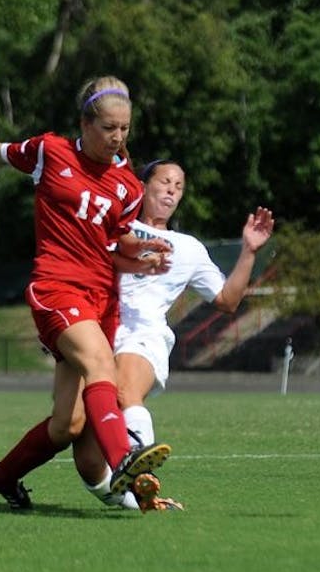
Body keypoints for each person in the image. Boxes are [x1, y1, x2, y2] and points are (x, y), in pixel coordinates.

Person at [0, 75, 173, 509]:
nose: (118, 137)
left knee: (68, 424)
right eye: (109, 127)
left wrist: (143, 254)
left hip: (101, 300)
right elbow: (1, 151)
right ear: (85, 124)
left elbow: (114, 242)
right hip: (57, 288)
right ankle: (125, 458)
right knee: (100, 364)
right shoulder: (51, 151)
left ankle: (1, 476)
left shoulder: (129, 187)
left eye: (125, 128)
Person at [71, 159, 275, 511]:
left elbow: (227, 300)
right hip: (96, 332)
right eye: (165, 181)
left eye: (179, 186)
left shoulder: (188, 248)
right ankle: (135, 500)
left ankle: (142, 475)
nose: (172, 190)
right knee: (87, 458)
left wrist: (249, 251)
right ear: (142, 186)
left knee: (126, 390)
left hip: (143, 334)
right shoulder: (116, 227)